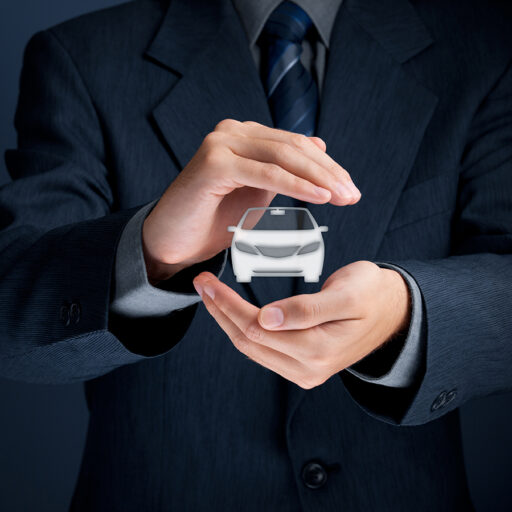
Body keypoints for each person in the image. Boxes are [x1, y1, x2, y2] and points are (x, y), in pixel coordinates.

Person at [0, 0, 511, 509]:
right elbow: (11, 329)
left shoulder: (483, 50)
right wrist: (149, 253)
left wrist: (404, 316)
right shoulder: (82, 57)